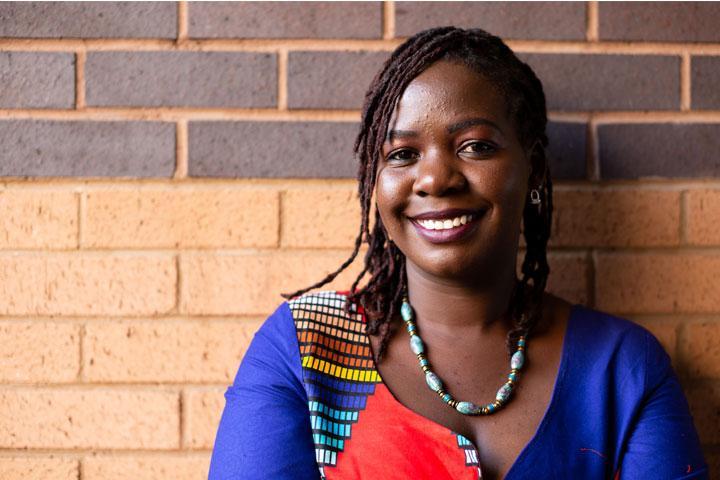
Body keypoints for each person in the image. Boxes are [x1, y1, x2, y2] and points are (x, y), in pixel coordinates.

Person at [208, 26, 708, 480]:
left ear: (532, 169)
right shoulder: (306, 348)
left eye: (475, 147)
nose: (435, 179)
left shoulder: (621, 368)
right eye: (402, 155)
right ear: (375, 183)